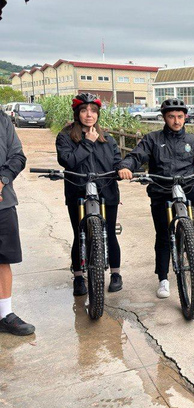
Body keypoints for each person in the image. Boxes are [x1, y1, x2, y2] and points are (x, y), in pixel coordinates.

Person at [117, 98, 194, 299]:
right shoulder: (152, 139)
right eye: (171, 117)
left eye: (180, 116)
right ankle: (163, 279)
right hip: (161, 191)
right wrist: (125, 167)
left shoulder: (193, 141)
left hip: (188, 187)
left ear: (185, 117)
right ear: (164, 118)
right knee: (163, 236)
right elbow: (136, 156)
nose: (176, 121)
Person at [56, 93, 123, 295]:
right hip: (77, 191)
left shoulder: (108, 138)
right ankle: (78, 277)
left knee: (109, 233)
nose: (89, 115)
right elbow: (68, 161)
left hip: (106, 191)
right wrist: (88, 143)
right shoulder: (65, 136)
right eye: (84, 110)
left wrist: (123, 169)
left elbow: (116, 161)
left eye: (93, 111)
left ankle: (116, 273)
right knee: (79, 234)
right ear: (77, 113)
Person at [0, 110, 34, 336]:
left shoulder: (2, 120)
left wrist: (2, 179)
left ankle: (5, 313)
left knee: (3, 258)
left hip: (3, 201)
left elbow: (18, 156)